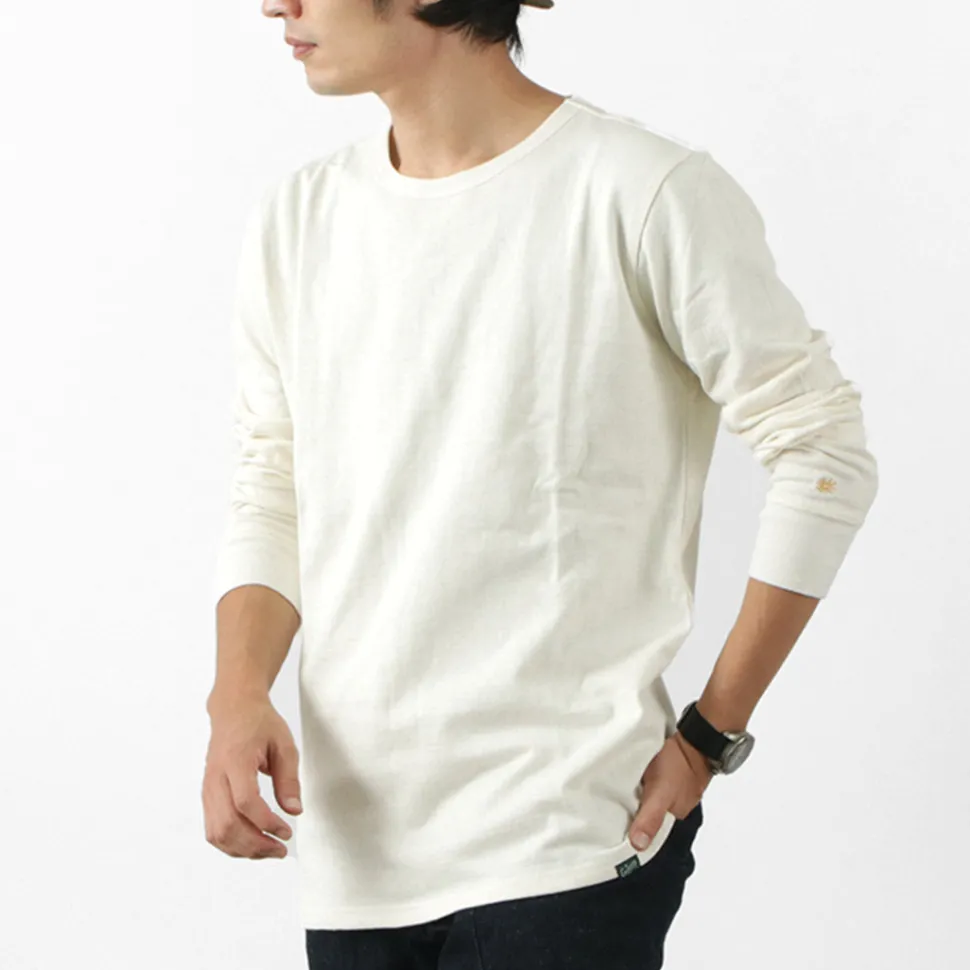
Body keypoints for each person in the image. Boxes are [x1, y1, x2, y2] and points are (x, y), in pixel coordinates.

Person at [202, 2, 879, 967]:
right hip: (358, 858)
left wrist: (709, 736)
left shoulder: (641, 192)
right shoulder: (298, 220)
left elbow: (823, 449)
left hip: (564, 843)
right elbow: (275, 482)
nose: (278, 2)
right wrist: (237, 696)